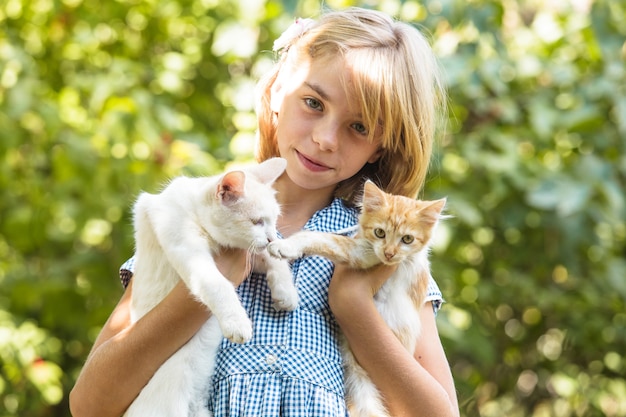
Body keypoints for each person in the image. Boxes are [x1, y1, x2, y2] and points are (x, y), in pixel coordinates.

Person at [70, 7, 459, 417]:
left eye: (359, 127)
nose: (325, 139)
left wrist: (353, 304)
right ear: (276, 91)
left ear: (381, 145)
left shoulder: (385, 248)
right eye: (313, 103)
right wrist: (204, 287)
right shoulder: (201, 217)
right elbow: (89, 404)